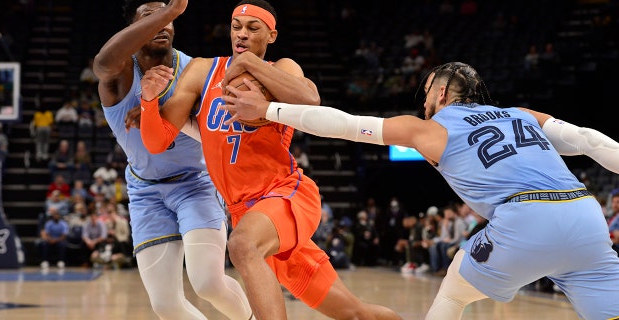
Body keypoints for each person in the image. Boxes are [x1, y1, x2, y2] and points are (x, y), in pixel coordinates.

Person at [221, 61, 619, 319]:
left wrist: (268, 111)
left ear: (441, 94)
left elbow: (342, 123)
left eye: (427, 91)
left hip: (526, 219)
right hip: (586, 215)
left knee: (453, 293)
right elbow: (589, 141)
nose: (424, 100)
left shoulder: (430, 129)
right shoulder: (523, 115)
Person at [139, 1, 401, 319]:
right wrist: (149, 101)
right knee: (356, 314)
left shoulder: (282, 69)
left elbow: (311, 99)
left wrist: (250, 63)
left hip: (285, 193)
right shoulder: (203, 71)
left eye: (253, 28)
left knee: (241, 246)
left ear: (271, 35)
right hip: (248, 214)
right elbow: (156, 142)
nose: (242, 34)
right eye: (237, 27)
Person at [92, 0, 252, 319]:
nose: (162, 25)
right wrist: (168, 11)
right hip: (145, 192)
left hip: (196, 184)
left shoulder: (196, 71)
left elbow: (215, 133)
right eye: (149, 18)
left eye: (167, 19)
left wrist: (160, 115)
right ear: (133, 29)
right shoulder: (121, 76)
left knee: (208, 283)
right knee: (165, 304)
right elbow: (103, 62)